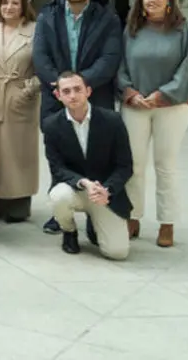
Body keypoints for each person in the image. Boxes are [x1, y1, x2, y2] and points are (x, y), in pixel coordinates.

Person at [33, 0, 122, 234]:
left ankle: (98, 212)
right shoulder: (47, 16)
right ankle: (60, 213)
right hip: (55, 97)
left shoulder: (107, 18)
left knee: (98, 154)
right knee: (59, 156)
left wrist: (79, 87)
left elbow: (109, 58)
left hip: (95, 95)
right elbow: (40, 55)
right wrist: (63, 89)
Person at [117, 0, 188, 248]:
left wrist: (163, 95)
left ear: (169, 0)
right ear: (140, 2)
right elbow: (119, 66)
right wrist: (130, 93)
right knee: (133, 165)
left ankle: (167, 223)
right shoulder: (132, 31)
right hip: (136, 106)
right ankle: (132, 217)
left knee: (166, 166)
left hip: (171, 107)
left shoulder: (184, 30)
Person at [45, 71, 133, 260]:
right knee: (58, 196)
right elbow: (57, 168)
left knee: (117, 253)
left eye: (78, 89)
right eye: (66, 91)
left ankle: (96, 223)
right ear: (58, 96)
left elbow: (125, 166)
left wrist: (108, 190)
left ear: (88, 91)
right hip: (75, 189)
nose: (73, 95)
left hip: (104, 193)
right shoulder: (51, 125)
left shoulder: (113, 121)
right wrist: (84, 183)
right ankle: (69, 231)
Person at [0, 0, 41, 223]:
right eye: (5, 3)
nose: (9, 7)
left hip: (20, 92)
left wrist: (30, 88)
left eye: (15, 3)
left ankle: (19, 202)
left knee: (19, 151)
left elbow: (45, 64)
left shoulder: (35, 31)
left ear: (23, 6)